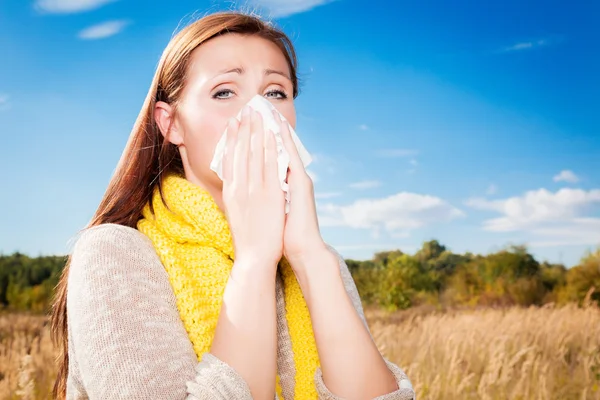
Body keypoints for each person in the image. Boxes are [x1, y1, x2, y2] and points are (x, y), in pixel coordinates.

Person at [50, 11, 415, 400]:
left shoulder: (323, 263)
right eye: (225, 92)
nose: (259, 114)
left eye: (276, 93)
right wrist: (254, 260)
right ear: (171, 123)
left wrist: (311, 258)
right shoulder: (114, 254)